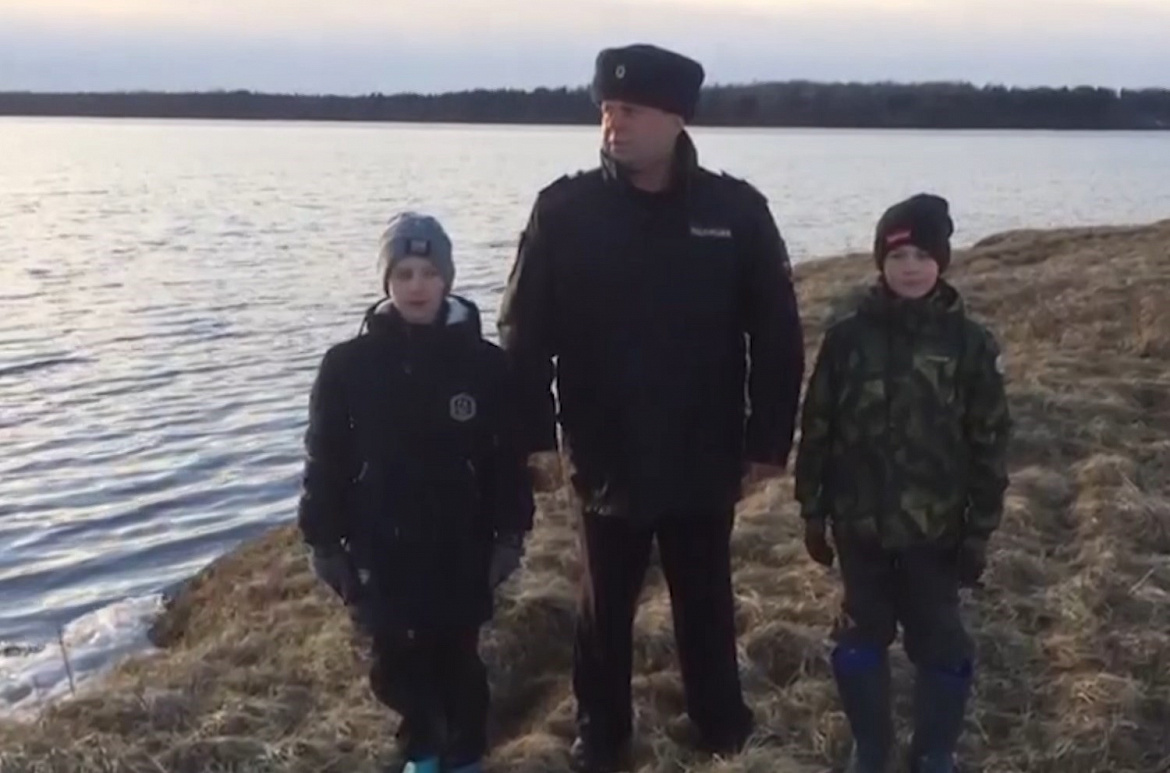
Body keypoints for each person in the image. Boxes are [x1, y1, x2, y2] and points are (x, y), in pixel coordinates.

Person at [498, 43, 805, 773]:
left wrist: (768, 442)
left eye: (630, 111)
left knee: (706, 596)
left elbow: (777, 334)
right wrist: (534, 440)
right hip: (607, 451)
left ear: (675, 118)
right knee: (604, 605)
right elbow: (522, 334)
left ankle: (720, 721)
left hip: (705, 446)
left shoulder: (734, 212)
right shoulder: (564, 211)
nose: (614, 125)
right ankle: (602, 734)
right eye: (607, 110)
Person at [297, 212, 534, 773]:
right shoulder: (347, 366)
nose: (417, 286)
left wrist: (510, 534)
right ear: (387, 282)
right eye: (403, 274)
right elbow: (325, 458)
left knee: (458, 660)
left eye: (429, 273)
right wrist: (323, 542)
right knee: (394, 664)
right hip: (381, 545)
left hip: (461, 543)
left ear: (447, 279)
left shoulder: (485, 365)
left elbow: (507, 462)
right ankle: (422, 754)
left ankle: (466, 756)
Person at [794, 193, 1011, 773]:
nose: (910, 267)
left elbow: (990, 442)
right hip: (859, 526)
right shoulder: (847, 340)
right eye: (897, 256)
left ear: (942, 261)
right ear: (880, 262)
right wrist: (812, 509)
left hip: (936, 532)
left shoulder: (969, 344)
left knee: (941, 641)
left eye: (922, 255)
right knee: (859, 636)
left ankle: (934, 751)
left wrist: (979, 530)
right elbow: (818, 427)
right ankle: (871, 746)